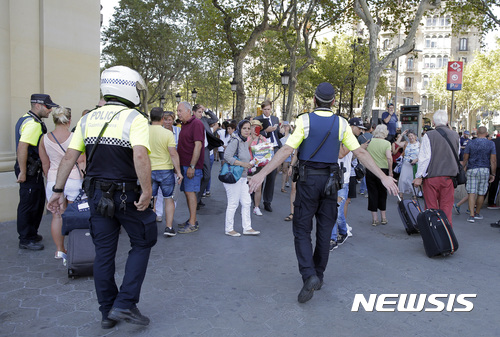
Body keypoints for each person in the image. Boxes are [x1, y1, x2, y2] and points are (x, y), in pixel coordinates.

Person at [248, 82, 398, 304]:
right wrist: (383, 176)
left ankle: (309, 275)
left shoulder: (304, 120)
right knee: (325, 230)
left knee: (301, 229)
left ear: (315, 100)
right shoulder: (341, 123)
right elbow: (359, 152)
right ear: (334, 102)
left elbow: (288, 149)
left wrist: (262, 173)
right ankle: (319, 274)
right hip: (331, 183)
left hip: (308, 182)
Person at [47, 65, 156, 329]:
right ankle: (125, 303)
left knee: (104, 253)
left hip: (96, 194)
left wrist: (58, 191)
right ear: (128, 88)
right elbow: (140, 155)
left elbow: (70, 157)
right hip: (127, 195)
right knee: (143, 241)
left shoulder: (87, 119)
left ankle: (107, 312)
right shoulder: (135, 118)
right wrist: (147, 190)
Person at [39, 106, 84, 261]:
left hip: (53, 179)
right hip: (73, 178)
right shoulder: (75, 137)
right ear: (69, 120)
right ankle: (75, 247)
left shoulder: (44, 138)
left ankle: (59, 249)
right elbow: (81, 160)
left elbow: (45, 164)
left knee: (57, 216)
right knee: (75, 215)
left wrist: (50, 178)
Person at [15, 93, 58, 251]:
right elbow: (22, 147)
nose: (50, 111)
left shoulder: (27, 118)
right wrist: (23, 172)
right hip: (30, 169)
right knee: (29, 204)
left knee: (36, 202)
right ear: (38, 105)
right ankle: (26, 238)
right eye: (48, 107)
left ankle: (31, 233)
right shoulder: (33, 123)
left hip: (32, 169)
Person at [413, 110, 460, 227]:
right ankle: (447, 233)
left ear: (433, 122)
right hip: (448, 177)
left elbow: (424, 158)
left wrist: (418, 176)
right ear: (447, 121)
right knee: (446, 208)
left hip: (432, 177)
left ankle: (433, 233)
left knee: (431, 208)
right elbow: (457, 154)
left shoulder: (429, 135)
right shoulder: (455, 135)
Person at [222, 120, 260, 237]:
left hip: (242, 177)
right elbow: (227, 156)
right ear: (239, 129)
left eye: (249, 128)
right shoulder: (235, 140)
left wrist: (252, 139)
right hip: (234, 177)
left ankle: (247, 228)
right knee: (233, 203)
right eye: (244, 128)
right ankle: (229, 229)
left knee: (247, 202)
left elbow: (243, 151)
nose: (247, 131)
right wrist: (243, 164)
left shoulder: (243, 141)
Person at [149, 107, 183, 237]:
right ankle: (168, 227)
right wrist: (178, 172)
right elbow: (173, 154)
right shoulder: (168, 134)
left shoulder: (144, 131)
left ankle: (149, 227)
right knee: (169, 199)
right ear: (162, 119)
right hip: (165, 170)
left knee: (150, 198)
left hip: (149, 170)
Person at [176, 101, 205, 233]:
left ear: (189, 111)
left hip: (191, 166)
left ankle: (192, 223)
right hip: (184, 165)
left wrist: (192, 166)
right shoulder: (185, 125)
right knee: (188, 193)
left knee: (190, 192)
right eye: (177, 111)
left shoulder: (197, 124)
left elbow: (198, 146)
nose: (178, 113)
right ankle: (191, 219)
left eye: (180, 111)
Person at [254, 100, 283, 212]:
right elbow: (255, 133)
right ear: (262, 109)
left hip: (275, 148)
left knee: (272, 176)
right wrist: (266, 131)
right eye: (265, 109)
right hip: (263, 148)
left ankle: (267, 202)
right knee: (260, 174)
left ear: (271, 109)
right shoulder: (257, 119)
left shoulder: (275, 119)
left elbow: (277, 135)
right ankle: (255, 201)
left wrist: (281, 132)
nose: (267, 111)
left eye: (269, 109)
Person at [462, 126, 496, 222]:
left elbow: (465, 158)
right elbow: (493, 160)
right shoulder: (491, 144)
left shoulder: (471, 143)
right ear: (486, 133)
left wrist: (463, 167)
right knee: (481, 193)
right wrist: (493, 174)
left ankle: (471, 215)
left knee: (471, 192)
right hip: (485, 169)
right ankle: (477, 213)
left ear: (477, 133)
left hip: (472, 169)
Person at [154, 110, 181, 222]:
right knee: (160, 193)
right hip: (162, 165)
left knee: (174, 192)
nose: (167, 122)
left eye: (169, 119)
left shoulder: (178, 131)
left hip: (174, 164)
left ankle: (170, 214)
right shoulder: (160, 131)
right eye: (165, 119)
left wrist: (178, 167)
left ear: (173, 120)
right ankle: (159, 213)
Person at [366, 125, 393, 226]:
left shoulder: (370, 142)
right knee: (383, 193)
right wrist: (390, 171)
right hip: (383, 170)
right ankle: (384, 217)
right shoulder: (387, 143)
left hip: (371, 169)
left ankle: (374, 219)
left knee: (372, 193)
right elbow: (389, 158)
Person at [193, 104, 218, 209]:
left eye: (201, 112)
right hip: (195, 150)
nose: (201, 113)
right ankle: (195, 200)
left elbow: (215, 119)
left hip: (206, 150)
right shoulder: (191, 122)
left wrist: (206, 109)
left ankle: (198, 198)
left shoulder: (204, 120)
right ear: (193, 112)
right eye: (199, 112)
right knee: (196, 176)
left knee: (206, 176)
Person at [247, 119, 268, 216]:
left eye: (257, 127)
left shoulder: (263, 138)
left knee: (258, 187)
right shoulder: (246, 138)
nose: (255, 128)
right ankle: (246, 205)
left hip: (258, 165)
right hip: (248, 165)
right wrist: (252, 138)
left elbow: (266, 152)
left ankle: (256, 207)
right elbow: (244, 148)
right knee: (247, 187)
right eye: (253, 126)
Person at [398, 129, 420, 197]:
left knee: (413, 179)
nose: (411, 137)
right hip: (406, 164)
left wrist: (416, 159)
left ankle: (414, 195)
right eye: (409, 136)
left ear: (415, 136)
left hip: (414, 165)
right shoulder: (406, 143)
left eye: (412, 136)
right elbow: (397, 143)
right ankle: (401, 196)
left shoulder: (419, 144)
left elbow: (423, 155)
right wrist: (402, 134)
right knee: (403, 179)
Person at [487, 133, 500, 209]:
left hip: (491, 164)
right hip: (497, 165)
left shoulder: (493, 141)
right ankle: (492, 202)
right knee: (496, 184)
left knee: (489, 183)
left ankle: (477, 202)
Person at [280, 121, 292, 193]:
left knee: (285, 170)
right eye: (283, 126)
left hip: (287, 155)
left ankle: (282, 187)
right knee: (276, 170)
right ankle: (270, 185)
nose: (285, 127)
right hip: (279, 155)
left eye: (286, 126)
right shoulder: (280, 136)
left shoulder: (291, 136)